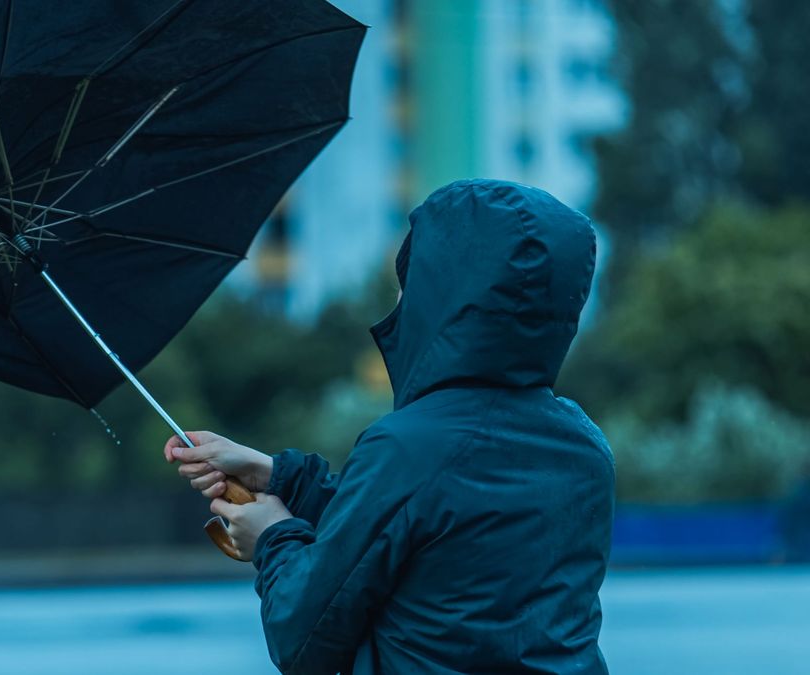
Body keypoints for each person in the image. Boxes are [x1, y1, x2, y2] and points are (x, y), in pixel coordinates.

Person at [165, 179, 615, 674]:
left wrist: (272, 538)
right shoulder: (584, 447)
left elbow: (303, 634)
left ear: (443, 295)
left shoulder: (407, 449)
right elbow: (431, 532)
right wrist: (280, 478)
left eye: (412, 279)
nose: (400, 295)